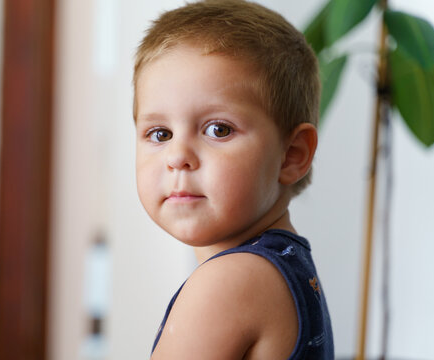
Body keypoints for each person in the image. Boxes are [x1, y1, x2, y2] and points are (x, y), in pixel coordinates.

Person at [133, 0, 333, 358]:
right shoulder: (287, 267)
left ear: (292, 155)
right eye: (160, 133)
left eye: (217, 129)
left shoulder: (230, 283)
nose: (178, 156)